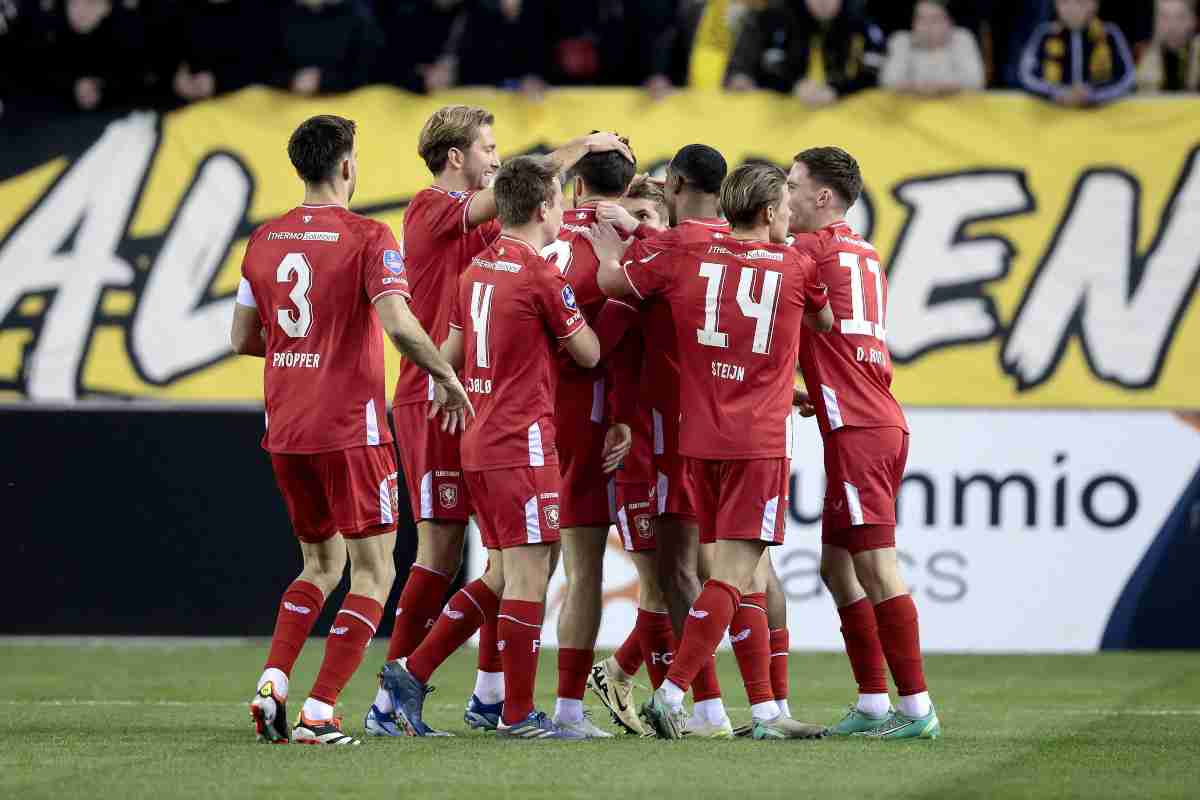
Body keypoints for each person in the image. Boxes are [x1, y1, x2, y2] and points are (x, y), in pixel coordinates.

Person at [371, 104, 632, 736]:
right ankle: (398, 698)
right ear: (457, 156)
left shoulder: (481, 261)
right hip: (441, 399)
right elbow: (523, 190)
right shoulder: (432, 207)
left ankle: (487, 696)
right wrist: (584, 143)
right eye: (488, 146)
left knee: (503, 563)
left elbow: (519, 211)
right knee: (447, 555)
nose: (495, 156)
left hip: (470, 404)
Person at [232, 114, 471, 746]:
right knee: (373, 571)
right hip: (351, 429)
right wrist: (446, 376)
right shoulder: (369, 235)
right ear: (345, 165)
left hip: (284, 425)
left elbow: (241, 338)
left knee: (318, 562)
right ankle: (319, 711)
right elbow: (397, 323)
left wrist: (299, 351)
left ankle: (274, 682)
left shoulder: (263, 240)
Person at [588, 162, 833, 740]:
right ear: (770, 213)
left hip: (694, 440)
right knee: (734, 576)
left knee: (713, 575)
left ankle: (764, 712)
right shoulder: (797, 264)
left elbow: (616, 286)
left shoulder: (688, 256)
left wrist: (607, 254)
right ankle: (674, 692)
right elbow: (822, 320)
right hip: (758, 443)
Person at [787, 145, 940, 740]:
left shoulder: (805, 250)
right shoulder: (862, 250)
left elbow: (740, 252)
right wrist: (811, 391)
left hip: (859, 428)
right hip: (869, 417)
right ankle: (875, 701)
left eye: (794, 185)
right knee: (836, 567)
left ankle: (916, 707)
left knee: (877, 568)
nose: (785, 196)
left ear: (822, 197)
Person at [541, 142, 644, 740]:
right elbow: (631, 334)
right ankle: (568, 711)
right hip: (592, 415)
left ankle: (494, 695)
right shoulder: (626, 239)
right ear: (627, 188)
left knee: (517, 567)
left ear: (574, 186)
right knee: (583, 570)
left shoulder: (536, 230)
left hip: (523, 409)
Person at [583, 176, 673, 737]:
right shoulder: (625, 295)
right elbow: (590, 349)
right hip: (638, 451)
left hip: (682, 448)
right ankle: (670, 703)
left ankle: (619, 673)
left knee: (691, 581)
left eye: (642, 215)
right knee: (663, 586)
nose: (631, 225)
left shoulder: (669, 279)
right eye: (625, 213)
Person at [726, 0, 885, 106]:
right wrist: (795, 85)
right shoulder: (782, 18)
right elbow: (768, 68)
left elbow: (873, 74)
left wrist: (837, 91)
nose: (823, 3)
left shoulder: (862, 22)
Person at [1019, 0, 1135, 106]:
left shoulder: (1109, 34)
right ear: (1056, 5)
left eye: (1080, 2)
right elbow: (1027, 76)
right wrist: (1059, 94)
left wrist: (1092, 95)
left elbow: (1127, 78)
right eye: (1065, 2)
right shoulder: (1045, 33)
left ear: (1095, 5)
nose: (1072, 8)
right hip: (1054, 117)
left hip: (1100, 118)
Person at [880, 0, 986, 95]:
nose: (927, 26)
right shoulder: (901, 40)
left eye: (934, 19)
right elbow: (888, 81)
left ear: (949, 22)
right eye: (921, 19)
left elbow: (975, 81)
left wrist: (942, 88)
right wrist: (916, 88)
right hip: (911, 109)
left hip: (955, 109)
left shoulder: (962, 38)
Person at [1137, 0, 1200, 93]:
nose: (1172, 26)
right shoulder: (1137, 55)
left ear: (1194, 20)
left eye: (1180, 17)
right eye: (1164, 17)